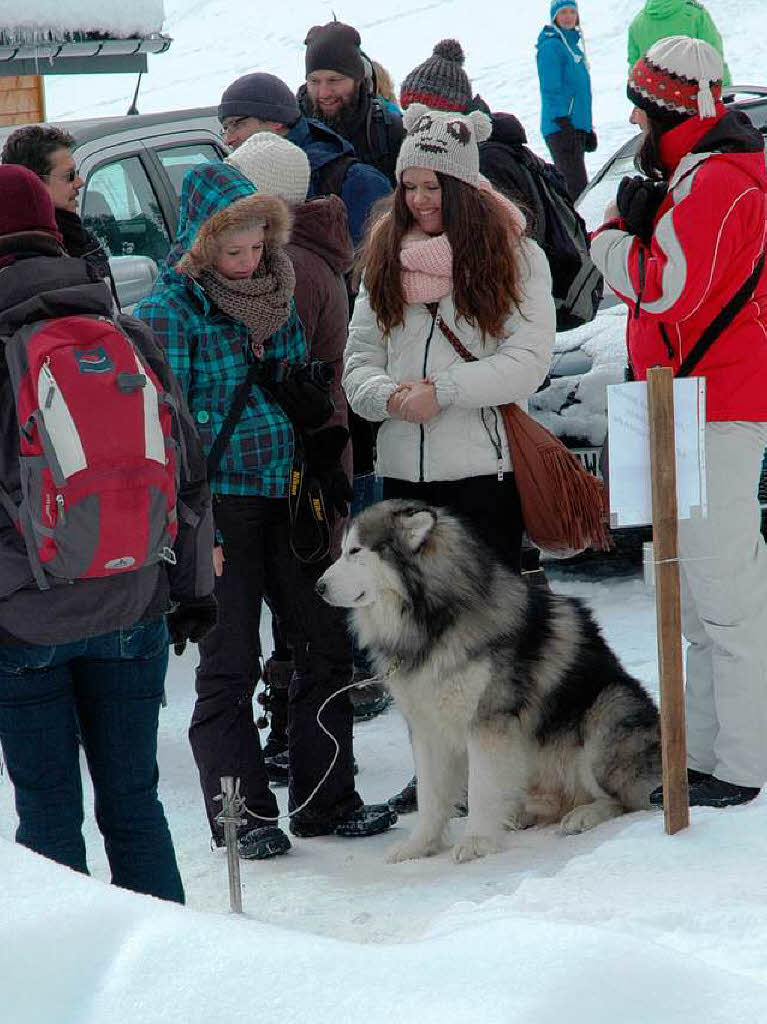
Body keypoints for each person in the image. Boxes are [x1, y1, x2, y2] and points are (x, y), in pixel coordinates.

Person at [133, 161, 396, 854]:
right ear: (201, 245)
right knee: (228, 664)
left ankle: (325, 800)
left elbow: (296, 389)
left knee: (323, 646)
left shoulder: (277, 292)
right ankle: (241, 815)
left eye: (257, 245)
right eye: (233, 250)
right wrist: (190, 528)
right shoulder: (166, 311)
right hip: (218, 509)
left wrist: (320, 441)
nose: (249, 263)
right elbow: (163, 433)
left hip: (289, 496)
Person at [0, 165, 216, 903]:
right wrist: (191, 591)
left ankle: (74, 996)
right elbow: (188, 471)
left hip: (25, 619)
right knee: (135, 806)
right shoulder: (123, 330)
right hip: (133, 604)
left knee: (49, 818)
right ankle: (164, 983)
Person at [343, 105, 556, 813]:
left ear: (462, 188)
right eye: (409, 187)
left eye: (433, 186)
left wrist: (446, 390)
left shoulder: (513, 255)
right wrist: (384, 397)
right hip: (405, 478)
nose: (419, 200)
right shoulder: (381, 256)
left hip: (483, 477)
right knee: (415, 643)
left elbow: (528, 361)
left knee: (490, 645)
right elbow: (358, 363)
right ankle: (437, 777)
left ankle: (500, 779)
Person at [590, 37, 767, 807]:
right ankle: (707, 751)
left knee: (725, 593)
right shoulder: (692, 176)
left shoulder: (719, 180)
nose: (632, 120)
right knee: (693, 595)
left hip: (716, 405)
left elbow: (669, 292)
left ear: (665, 109)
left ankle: (743, 761)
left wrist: (610, 245)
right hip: (680, 400)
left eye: (641, 107)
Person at [226, 131, 356, 776]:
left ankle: (289, 735)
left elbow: (278, 370)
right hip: (309, 450)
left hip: (300, 458)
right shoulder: (304, 253)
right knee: (302, 606)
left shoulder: (291, 267)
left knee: (302, 609)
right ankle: (294, 737)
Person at [217, 72, 390, 248]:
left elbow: (377, 264)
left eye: (237, 124)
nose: (228, 140)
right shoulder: (239, 178)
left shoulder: (358, 181)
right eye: (225, 129)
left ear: (276, 120)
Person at [1, 125, 116, 297]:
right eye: (69, 175)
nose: (80, 182)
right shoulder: (24, 259)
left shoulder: (80, 239)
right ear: (34, 183)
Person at [298, 20, 404, 186]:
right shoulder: (292, 129)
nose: (324, 93)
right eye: (314, 81)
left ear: (357, 79)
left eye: (334, 80)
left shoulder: (389, 132)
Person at [536, 1, 596, 200]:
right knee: (576, 190)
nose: (569, 16)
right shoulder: (552, 46)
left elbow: (579, 92)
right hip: (561, 127)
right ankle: (575, 230)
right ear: (554, 16)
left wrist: (587, 128)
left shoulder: (572, 47)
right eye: (563, 12)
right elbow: (550, 88)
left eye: (572, 11)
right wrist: (563, 121)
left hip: (574, 126)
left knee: (578, 187)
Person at [628, 0, 731, 83]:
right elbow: (713, 55)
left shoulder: (637, 23)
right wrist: (726, 89)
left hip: (653, 99)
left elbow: (635, 67)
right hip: (692, 97)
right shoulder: (695, 15)